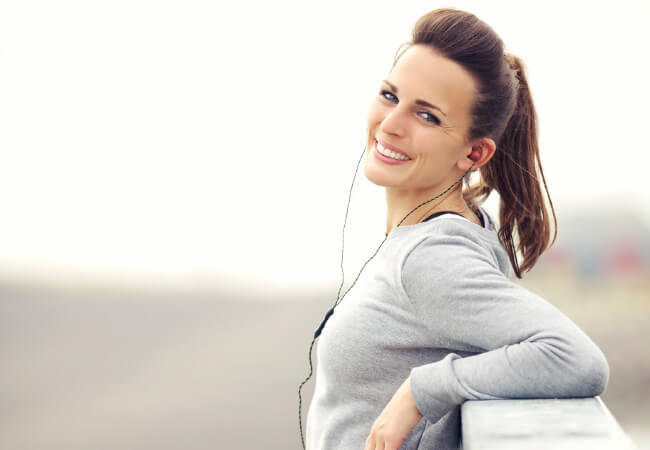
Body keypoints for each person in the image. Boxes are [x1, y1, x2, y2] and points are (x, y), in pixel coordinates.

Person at [303, 7, 609, 450]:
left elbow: (575, 358)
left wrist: (420, 391)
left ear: (474, 155)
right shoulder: (438, 232)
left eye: (427, 116)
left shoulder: (432, 256)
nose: (390, 125)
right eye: (390, 96)